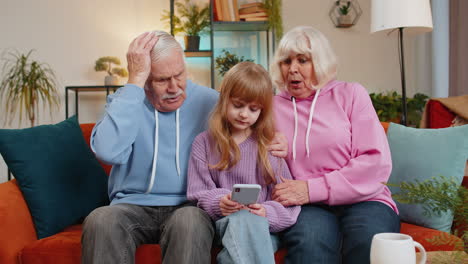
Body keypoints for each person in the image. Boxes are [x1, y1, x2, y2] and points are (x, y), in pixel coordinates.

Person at [81, 31, 288, 264]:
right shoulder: (127, 100)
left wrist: (275, 139)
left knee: (188, 222)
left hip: (189, 207)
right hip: (131, 206)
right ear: (145, 78)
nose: (174, 87)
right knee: (101, 219)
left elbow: (252, 120)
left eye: (179, 75)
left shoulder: (212, 102)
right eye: (161, 80)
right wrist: (134, 83)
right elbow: (107, 151)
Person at [270, 26, 400, 264]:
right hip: (307, 206)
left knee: (369, 241)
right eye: (286, 61)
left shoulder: (351, 94)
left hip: (365, 198)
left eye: (303, 60)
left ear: (320, 62)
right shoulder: (270, 107)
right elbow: (250, 158)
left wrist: (312, 188)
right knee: (310, 246)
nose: (293, 69)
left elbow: (375, 162)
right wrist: (264, 147)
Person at [187, 62, 301, 264]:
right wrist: (221, 202)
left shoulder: (270, 146)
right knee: (240, 221)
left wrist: (266, 211)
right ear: (224, 100)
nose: (244, 114)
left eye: (253, 109)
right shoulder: (204, 143)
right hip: (220, 225)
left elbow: (289, 201)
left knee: (245, 227)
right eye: (238, 105)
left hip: (262, 229)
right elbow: (197, 193)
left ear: (262, 111)